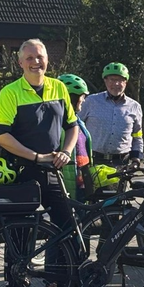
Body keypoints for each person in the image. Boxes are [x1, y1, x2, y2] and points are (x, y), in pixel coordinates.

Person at [0, 39, 97, 287]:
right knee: (19, 238)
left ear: (48, 59)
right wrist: (35, 156)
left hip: (52, 170)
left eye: (39, 56)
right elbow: (2, 135)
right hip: (21, 173)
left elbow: (72, 126)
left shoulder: (58, 87)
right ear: (20, 63)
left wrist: (65, 151)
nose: (35, 61)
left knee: (67, 230)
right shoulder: (10, 92)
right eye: (29, 57)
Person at [78, 62, 143, 167]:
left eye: (120, 80)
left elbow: (137, 135)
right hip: (93, 160)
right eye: (112, 80)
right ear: (105, 80)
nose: (116, 84)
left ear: (125, 82)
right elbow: (76, 128)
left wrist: (136, 158)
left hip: (122, 162)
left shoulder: (135, 107)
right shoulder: (91, 101)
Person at [57, 74, 93, 202]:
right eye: (82, 96)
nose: (84, 100)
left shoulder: (77, 120)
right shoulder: (58, 124)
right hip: (68, 184)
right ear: (71, 98)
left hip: (82, 183)